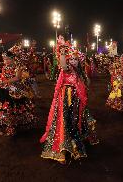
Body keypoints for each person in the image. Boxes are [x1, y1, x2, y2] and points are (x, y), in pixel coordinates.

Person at [40, 36, 99, 164]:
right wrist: (62, 53)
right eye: (71, 59)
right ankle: (63, 148)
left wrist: (84, 78)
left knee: (76, 121)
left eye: (76, 59)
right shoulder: (67, 69)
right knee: (64, 122)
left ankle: (75, 143)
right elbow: (63, 65)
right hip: (66, 99)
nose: (73, 61)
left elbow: (87, 83)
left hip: (77, 100)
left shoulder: (79, 72)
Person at [0, 51, 37, 136]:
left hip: (14, 91)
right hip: (3, 90)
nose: (5, 61)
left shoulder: (18, 67)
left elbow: (17, 78)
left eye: (7, 59)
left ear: (12, 58)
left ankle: (12, 128)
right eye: (4, 59)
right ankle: (3, 128)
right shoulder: (5, 66)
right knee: (2, 109)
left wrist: (4, 82)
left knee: (12, 110)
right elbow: (1, 76)